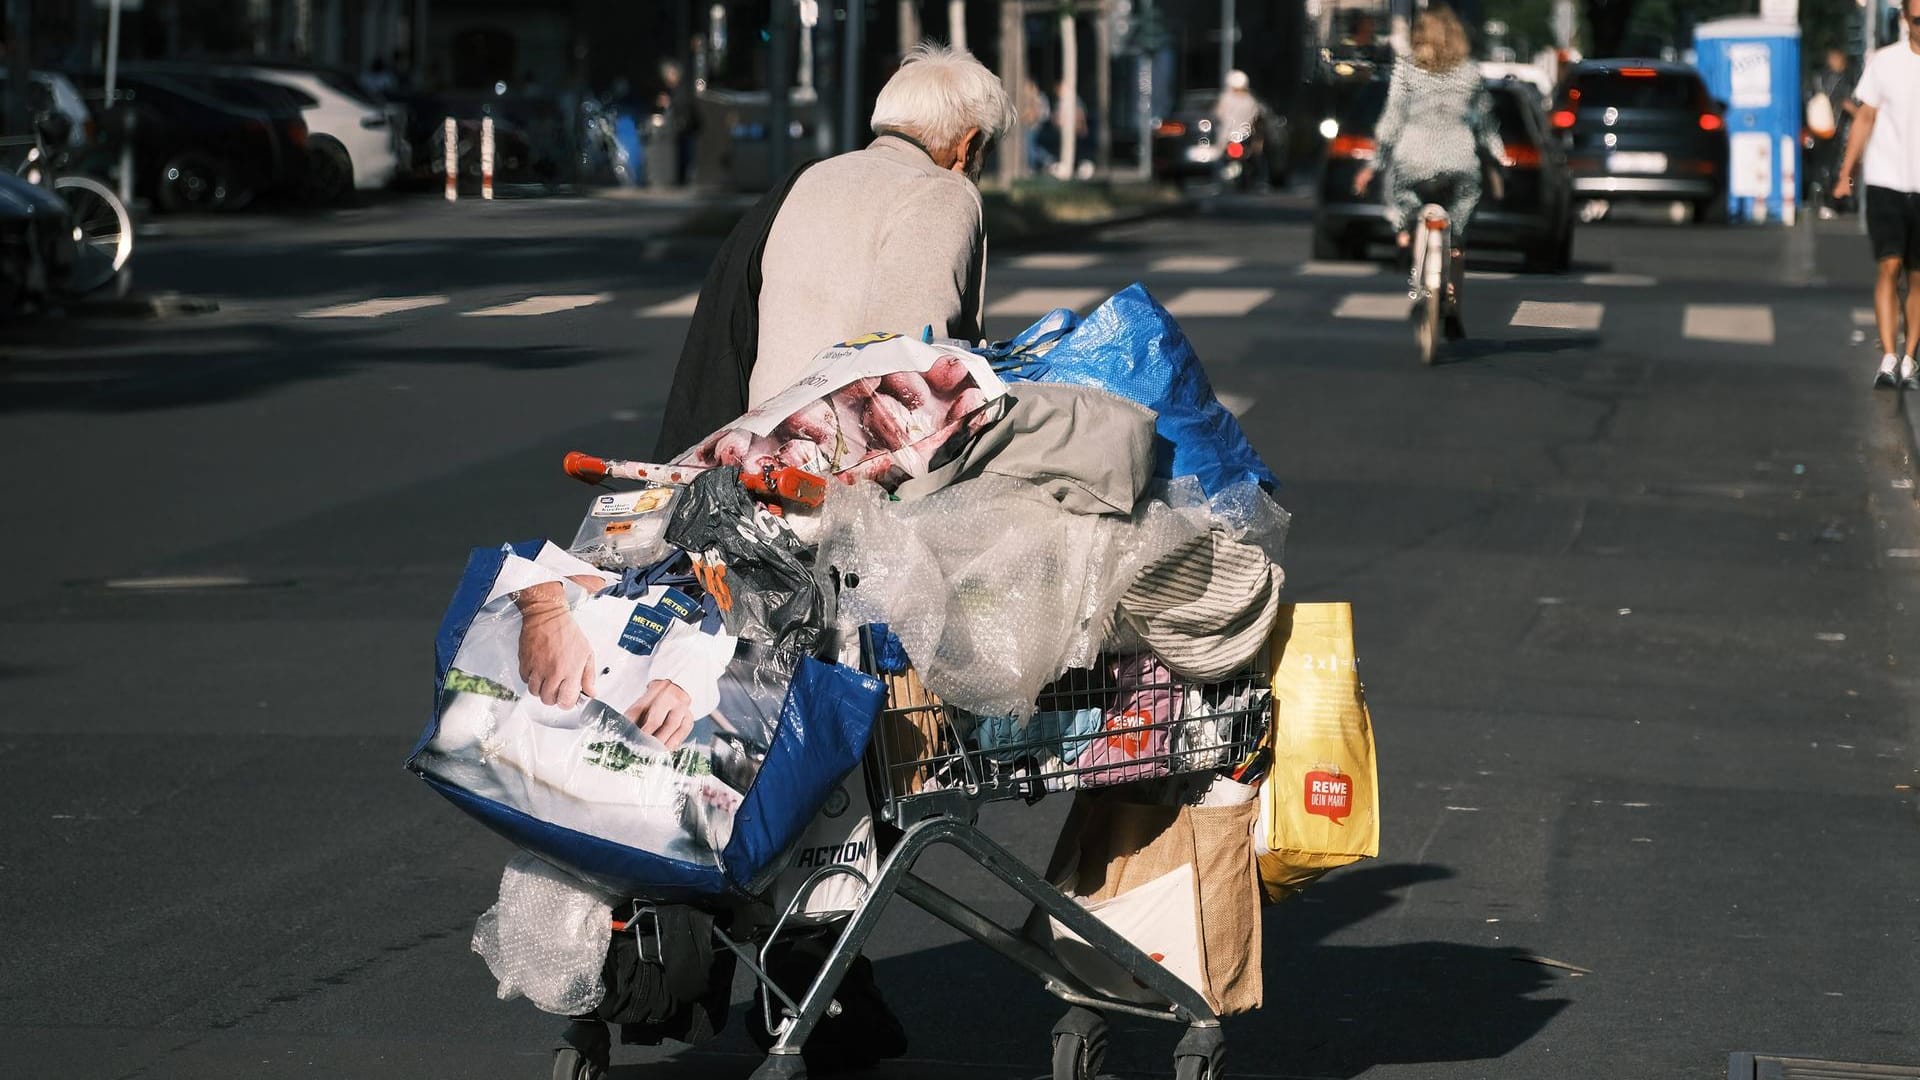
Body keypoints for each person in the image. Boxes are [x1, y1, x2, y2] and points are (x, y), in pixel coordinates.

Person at [655, 40, 1011, 454]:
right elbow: (915, 384)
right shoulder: (943, 195)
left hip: (757, 451)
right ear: (967, 146)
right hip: (838, 477)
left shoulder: (808, 179)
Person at [1352, 5, 1503, 333]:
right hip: (1460, 161)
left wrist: (1372, 166)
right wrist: (1497, 158)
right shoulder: (1470, 72)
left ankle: (1406, 238)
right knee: (1458, 232)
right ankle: (1454, 307)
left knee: (1401, 195)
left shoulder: (1406, 71)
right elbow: (1485, 124)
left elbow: (1391, 122)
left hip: (1413, 161)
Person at [1835, 0, 1920, 390]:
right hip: (1886, 180)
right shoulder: (1885, 62)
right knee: (1889, 266)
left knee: (1918, 276)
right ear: (1905, 19)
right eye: (1919, 19)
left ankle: (1910, 356)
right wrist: (1846, 175)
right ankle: (1888, 356)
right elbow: (1864, 118)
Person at [1807, 48, 1857, 217]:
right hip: (1836, 128)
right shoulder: (1844, 79)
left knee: (1824, 165)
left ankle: (1824, 201)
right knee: (1833, 164)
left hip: (1821, 127)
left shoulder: (1819, 78)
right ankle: (1830, 201)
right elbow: (1845, 102)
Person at [1212, 69, 1267, 189]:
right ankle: (1257, 179)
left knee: (1221, 157)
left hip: (1229, 135)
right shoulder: (1250, 100)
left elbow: (1218, 115)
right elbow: (1257, 116)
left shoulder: (1226, 98)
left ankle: (1222, 179)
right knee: (1253, 158)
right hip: (1243, 135)